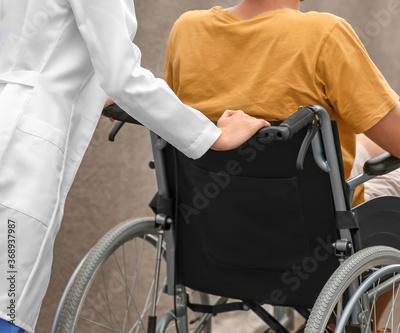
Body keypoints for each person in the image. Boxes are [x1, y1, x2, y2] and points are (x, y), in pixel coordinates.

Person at [0, 0, 269, 332]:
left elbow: (49, 45)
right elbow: (122, 77)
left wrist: (96, 92)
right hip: (24, 150)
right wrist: (212, 136)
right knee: (9, 297)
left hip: (15, 128)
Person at [163, 0, 400, 208]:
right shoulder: (323, 35)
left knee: (355, 141)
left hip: (219, 225)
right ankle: (358, 315)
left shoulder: (186, 30)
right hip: (313, 231)